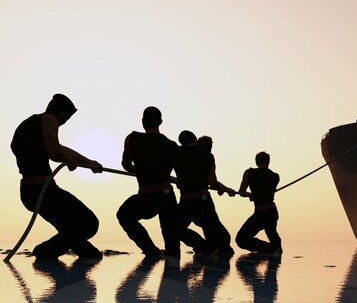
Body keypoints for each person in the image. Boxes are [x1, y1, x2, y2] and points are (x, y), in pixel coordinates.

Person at [10, 93, 104, 260]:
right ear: (62, 114)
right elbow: (55, 152)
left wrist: (89, 163)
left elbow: (59, 148)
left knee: (73, 234)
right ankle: (42, 252)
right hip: (43, 192)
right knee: (89, 224)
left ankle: (87, 255)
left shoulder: (30, 125)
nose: (65, 122)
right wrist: (67, 160)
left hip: (30, 193)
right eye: (67, 118)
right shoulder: (49, 119)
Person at [116, 106, 179, 258]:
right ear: (161, 122)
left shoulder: (132, 139)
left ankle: (151, 251)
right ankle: (170, 260)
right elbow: (178, 173)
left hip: (146, 197)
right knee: (171, 239)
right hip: (166, 195)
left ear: (143, 121)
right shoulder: (171, 145)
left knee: (124, 215)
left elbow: (125, 164)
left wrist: (140, 171)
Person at [173, 130, 235, 255]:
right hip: (203, 201)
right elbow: (212, 182)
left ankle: (203, 246)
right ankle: (211, 247)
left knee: (174, 229)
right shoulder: (208, 156)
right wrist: (225, 189)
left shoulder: (176, 153)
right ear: (195, 140)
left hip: (186, 201)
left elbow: (170, 177)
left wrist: (224, 188)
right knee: (218, 235)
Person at [235, 152, 282, 254]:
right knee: (272, 234)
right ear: (268, 162)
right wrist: (254, 195)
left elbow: (242, 192)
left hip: (260, 214)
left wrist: (250, 195)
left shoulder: (249, 173)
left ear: (256, 162)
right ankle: (274, 249)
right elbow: (265, 191)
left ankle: (272, 249)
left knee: (241, 239)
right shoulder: (275, 177)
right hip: (271, 212)